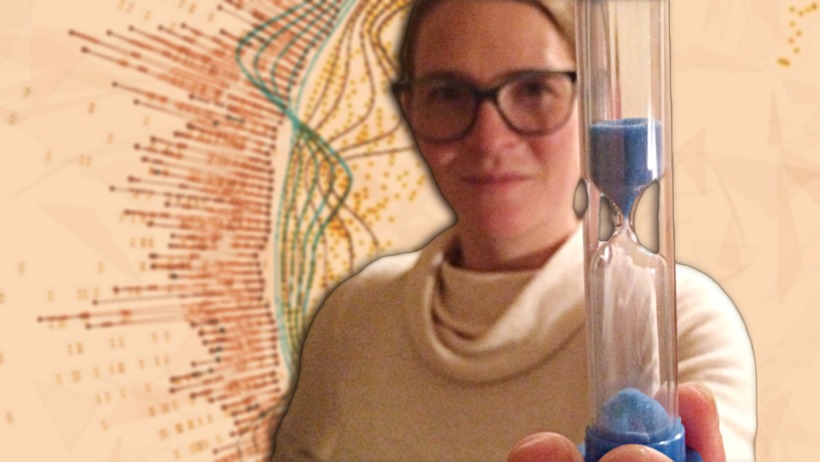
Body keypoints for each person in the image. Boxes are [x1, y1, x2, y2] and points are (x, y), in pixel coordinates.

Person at [271, 0, 757, 461]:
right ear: (410, 107)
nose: (489, 139)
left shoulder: (686, 316)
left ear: (600, 104)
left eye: (533, 89)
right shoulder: (355, 312)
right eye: (448, 93)